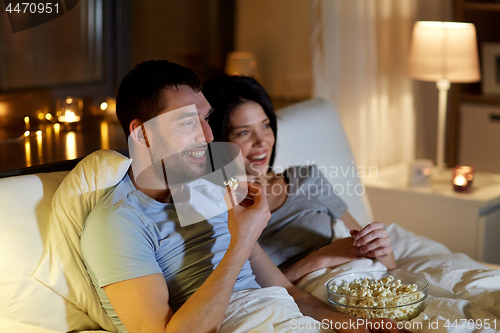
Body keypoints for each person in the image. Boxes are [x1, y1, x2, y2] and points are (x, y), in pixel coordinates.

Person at [81, 60, 405, 333]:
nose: (207, 136)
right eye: (186, 122)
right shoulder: (117, 224)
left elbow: (291, 293)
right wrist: (242, 240)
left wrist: (361, 326)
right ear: (141, 133)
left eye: (206, 119)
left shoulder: (210, 190)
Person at [202, 75, 396, 284]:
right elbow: (251, 291)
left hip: (366, 283)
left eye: (266, 126)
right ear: (219, 141)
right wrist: (321, 258)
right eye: (244, 132)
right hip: (301, 301)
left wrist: (378, 245)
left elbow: (389, 262)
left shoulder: (307, 178)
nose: (262, 141)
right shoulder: (221, 209)